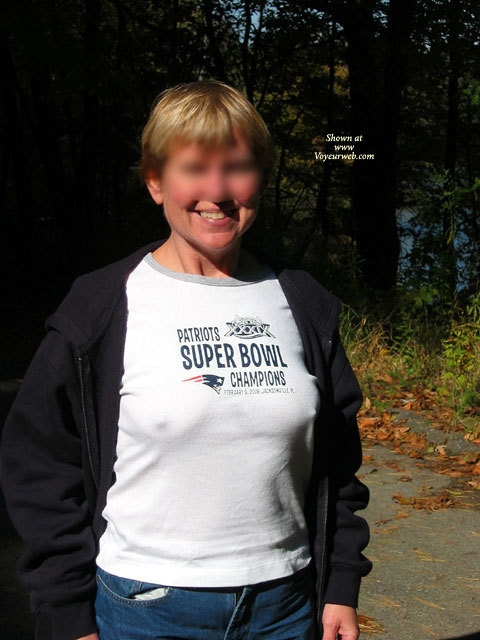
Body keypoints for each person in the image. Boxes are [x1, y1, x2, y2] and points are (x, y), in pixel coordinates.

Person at [1, 79, 372, 640]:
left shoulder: (301, 302)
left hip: (286, 604)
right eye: (193, 167)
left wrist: (341, 585)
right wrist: (67, 612)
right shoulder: (102, 307)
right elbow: (40, 463)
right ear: (155, 182)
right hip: (141, 608)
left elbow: (339, 461)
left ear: (262, 178)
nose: (217, 190)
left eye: (237, 166)